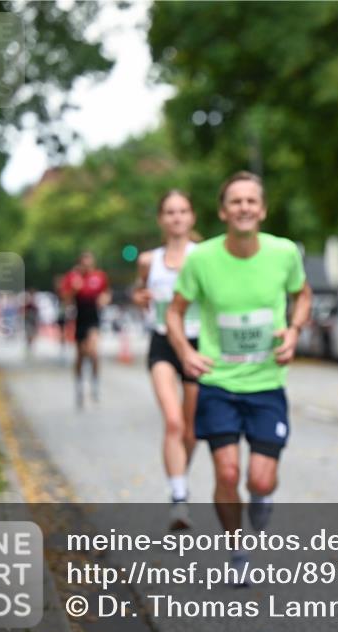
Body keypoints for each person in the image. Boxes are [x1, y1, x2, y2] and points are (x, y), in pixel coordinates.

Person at [167, 171, 311, 578]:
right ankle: (237, 551)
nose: (244, 207)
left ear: (262, 210)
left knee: (260, 479)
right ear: (222, 211)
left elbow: (302, 295)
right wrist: (184, 352)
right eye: (236, 201)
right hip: (218, 382)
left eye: (251, 201)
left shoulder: (284, 254)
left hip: (267, 384)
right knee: (227, 472)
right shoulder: (202, 259)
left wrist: (294, 330)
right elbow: (174, 312)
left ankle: (262, 500)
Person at [132, 190, 202, 530]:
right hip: (161, 342)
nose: (176, 218)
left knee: (191, 429)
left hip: (197, 343)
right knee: (173, 422)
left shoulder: (204, 256)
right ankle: (178, 499)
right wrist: (140, 297)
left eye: (183, 211)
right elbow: (139, 292)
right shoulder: (149, 260)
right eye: (170, 212)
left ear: (192, 217)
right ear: (161, 219)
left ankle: (179, 478)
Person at [60, 252, 110, 408]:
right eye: (85, 263)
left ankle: (95, 384)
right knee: (80, 356)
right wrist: (74, 289)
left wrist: (105, 299)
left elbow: (106, 293)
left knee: (94, 353)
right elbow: (66, 300)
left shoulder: (99, 276)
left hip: (93, 318)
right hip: (79, 317)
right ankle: (79, 385)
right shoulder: (72, 278)